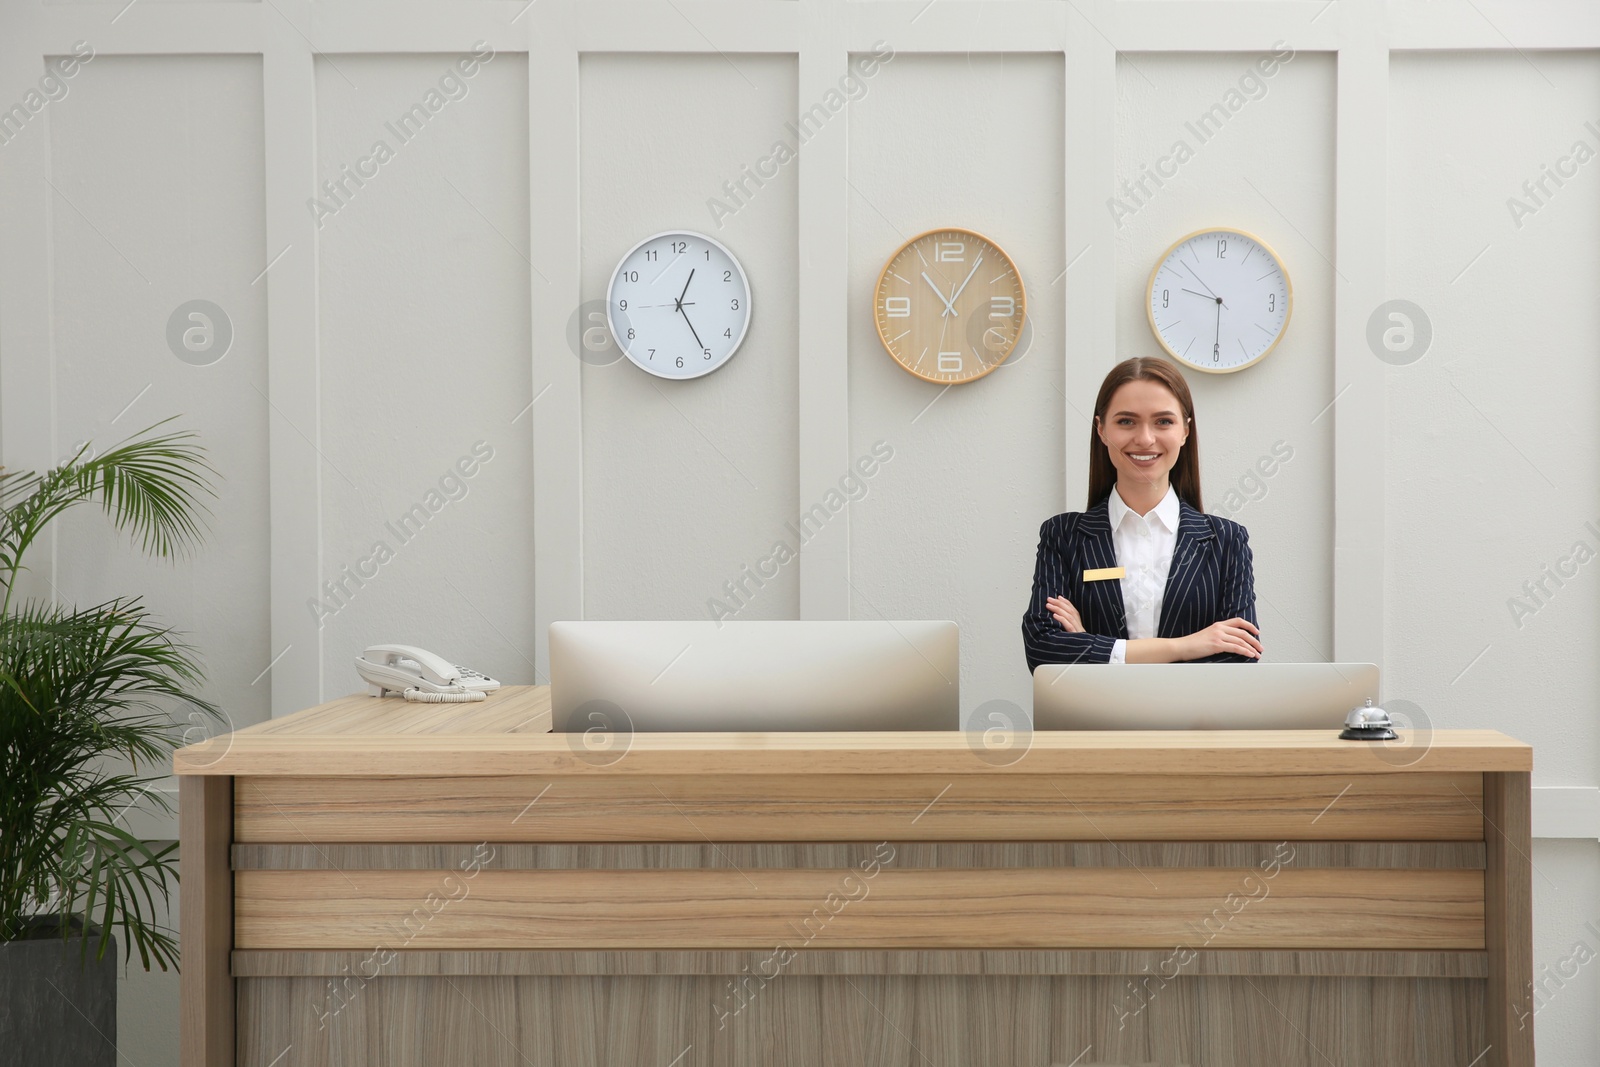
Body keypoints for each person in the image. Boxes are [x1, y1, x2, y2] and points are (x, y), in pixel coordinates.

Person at [1021, 356, 1263, 670]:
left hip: (1192, 719)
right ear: (1101, 429)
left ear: (1185, 431)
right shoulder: (1063, 536)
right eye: (1126, 421)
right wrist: (1187, 646)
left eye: (1163, 421)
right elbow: (1043, 650)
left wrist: (1088, 645)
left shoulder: (1227, 540)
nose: (1145, 438)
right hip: (1094, 720)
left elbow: (1238, 656)